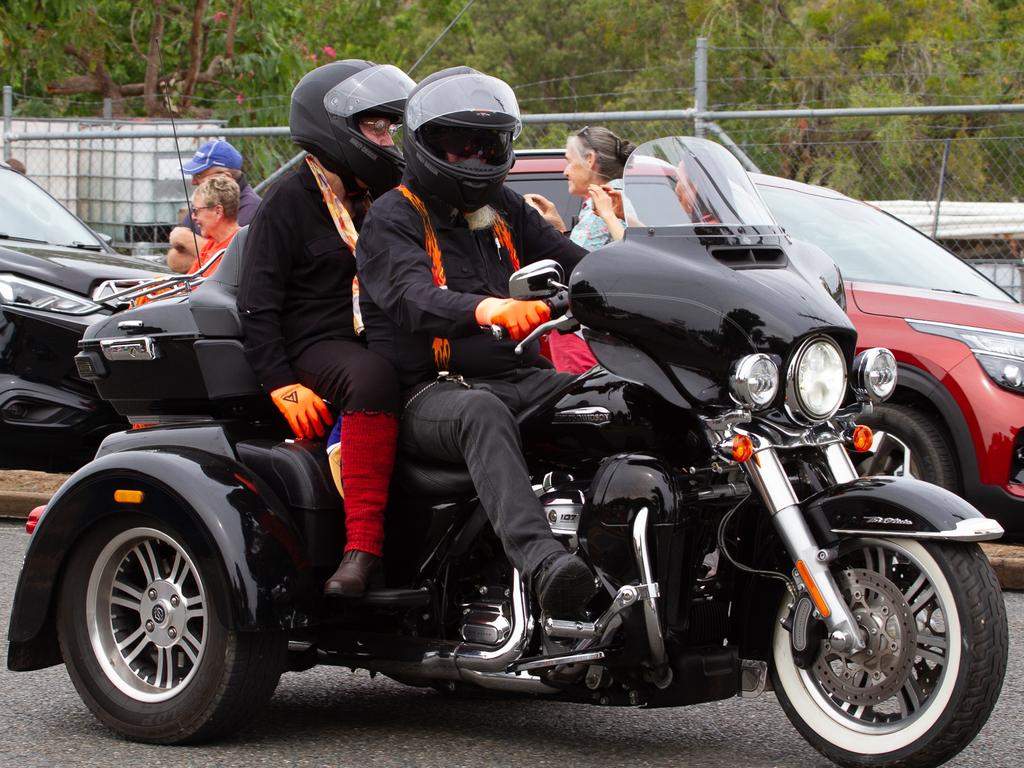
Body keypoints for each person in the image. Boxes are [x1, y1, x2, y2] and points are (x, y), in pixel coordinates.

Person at [355, 66, 596, 620]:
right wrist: (489, 308)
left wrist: (641, 277)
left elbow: (576, 263)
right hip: (432, 394)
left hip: (523, 379)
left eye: (486, 146)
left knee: (610, 395)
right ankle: (544, 565)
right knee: (481, 410)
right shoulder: (394, 215)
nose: (473, 159)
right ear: (425, 146)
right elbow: (412, 296)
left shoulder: (506, 209)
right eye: (458, 147)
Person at [237, 59, 415, 597]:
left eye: (389, 128)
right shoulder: (287, 204)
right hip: (316, 344)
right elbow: (258, 305)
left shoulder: (385, 199)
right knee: (373, 377)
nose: (387, 139)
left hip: (378, 332)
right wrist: (280, 384)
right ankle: (362, 548)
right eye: (375, 128)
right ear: (333, 128)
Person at [524, 126, 635, 374]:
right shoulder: (621, 199)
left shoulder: (603, 208)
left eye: (568, 161)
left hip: (584, 336)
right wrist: (559, 229)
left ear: (590, 160)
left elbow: (574, 271)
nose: (565, 171)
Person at [167, 140, 261, 270]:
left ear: (225, 177)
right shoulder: (204, 202)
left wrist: (188, 240)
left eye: (199, 175)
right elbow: (174, 258)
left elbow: (232, 265)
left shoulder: (252, 209)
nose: (193, 181)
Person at [182, 175, 241, 275]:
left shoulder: (238, 248)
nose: (193, 217)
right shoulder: (211, 245)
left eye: (196, 211)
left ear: (218, 212)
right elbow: (187, 285)